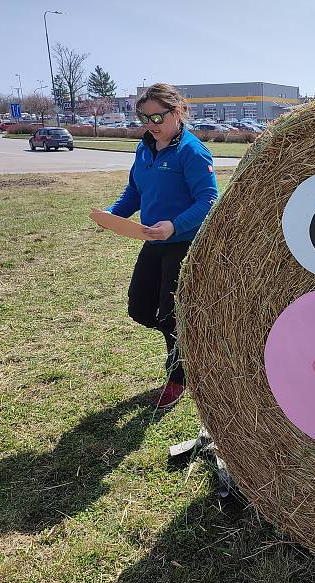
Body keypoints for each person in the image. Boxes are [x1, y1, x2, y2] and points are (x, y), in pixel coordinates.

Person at [104, 83, 217, 409]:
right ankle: (191, 341)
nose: (151, 124)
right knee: (140, 309)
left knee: (169, 314)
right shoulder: (144, 149)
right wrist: (113, 215)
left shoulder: (192, 151)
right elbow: (135, 194)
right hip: (152, 241)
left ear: (177, 112)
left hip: (182, 244)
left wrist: (174, 225)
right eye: (145, 117)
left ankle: (179, 376)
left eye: (157, 117)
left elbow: (209, 200)